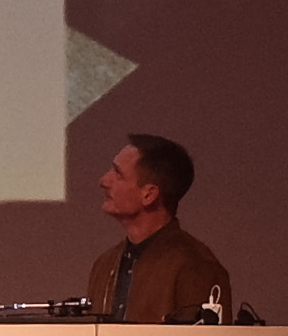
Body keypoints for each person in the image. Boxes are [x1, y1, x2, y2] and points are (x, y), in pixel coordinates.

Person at [85, 130, 233, 322]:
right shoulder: (104, 264)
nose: (104, 181)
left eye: (118, 174)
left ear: (149, 195)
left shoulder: (195, 266)